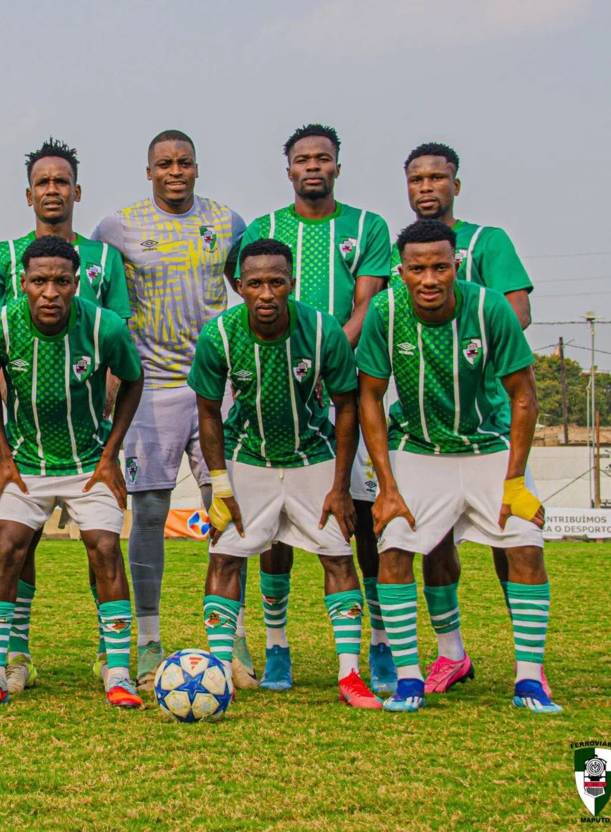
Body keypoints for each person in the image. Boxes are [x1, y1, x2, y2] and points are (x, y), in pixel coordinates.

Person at [357, 219, 561, 714]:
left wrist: (515, 479)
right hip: (419, 446)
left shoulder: (490, 307)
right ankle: (408, 680)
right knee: (396, 547)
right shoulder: (384, 311)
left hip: (487, 446)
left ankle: (529, 681)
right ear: (401, 272)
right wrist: (386, 486)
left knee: (526, 546)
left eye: (440, 267)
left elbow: (524, 397)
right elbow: (370, 396)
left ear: (456, 267)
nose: (430, 279)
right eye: (418, 269)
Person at [234, 124, 394, 695]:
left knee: (362, 513)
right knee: (275, 523)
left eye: (322, 159)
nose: (312, 167)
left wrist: (331, 359)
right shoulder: (265, 229)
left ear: (337, 167)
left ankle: (380, 643)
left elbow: (368, 302)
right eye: (302, 159)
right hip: (282, 389)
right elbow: (255, 296)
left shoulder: (368, 226)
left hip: (344, 377)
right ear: (289, 170)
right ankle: (278, 647)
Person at [0, 137, 131, 695]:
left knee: (104, 548)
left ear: (76, 191)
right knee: (15, 545)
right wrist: (3, 449)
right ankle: (9, 660)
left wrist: (98, 398)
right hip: (27, 444)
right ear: (29, 192)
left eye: (63, 181)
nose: (53, 190)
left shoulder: (104, 263)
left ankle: (115, 664)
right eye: (44, 181)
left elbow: (123, 352)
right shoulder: (2, 261)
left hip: (90, 441)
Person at [190, 239, 381, 709]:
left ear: (291, 283)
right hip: (246, 457)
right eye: (255, 283)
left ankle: (349, 675)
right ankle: (220, 672)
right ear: (239, 287)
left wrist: (340, 487)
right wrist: (220, 483)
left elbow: (347, 407)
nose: (267, 292)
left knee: (338, 555)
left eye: (277, 281)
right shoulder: (219, 335)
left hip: (311, 456)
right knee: (226, 556)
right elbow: (209, 412)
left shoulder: (322, 331)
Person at [92, 129, 247, 691]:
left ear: (197, 169)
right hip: (149, 387)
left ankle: (231, 639)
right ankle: (147, 637)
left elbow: (251, 287)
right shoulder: (118, 227)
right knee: (151, 513)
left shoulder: (228, 223)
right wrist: (108, 372)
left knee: (226, 507)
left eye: (184, 163)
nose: (175, 171)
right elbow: (98, 296)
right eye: (164, 164)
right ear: (149, 170)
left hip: (216, 386)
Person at [393, 142, 545, 696]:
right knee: (432, 541)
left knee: (513, 538)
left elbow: (518, 310)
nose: (426, 187)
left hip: (493, 423)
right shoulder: (401, 252)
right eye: (416, 179)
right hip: (425, 427)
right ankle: (451, 654)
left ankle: (528, 661)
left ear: (457, 184)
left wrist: (468, 347)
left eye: (438, 177)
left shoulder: (488, 242)